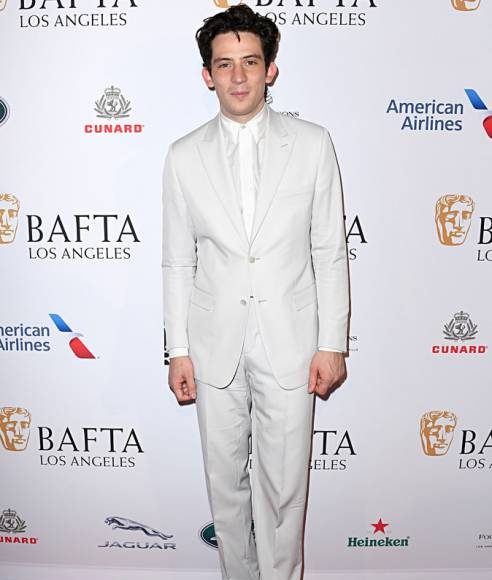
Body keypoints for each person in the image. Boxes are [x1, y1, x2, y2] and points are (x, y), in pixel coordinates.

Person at [162, 5, 349, 579]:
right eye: (225, 64)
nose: (238, 76)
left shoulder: (313, 144)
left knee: (285, 491)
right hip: (213, 343)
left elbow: (330, 250)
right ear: (207, 75)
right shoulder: (183, 155)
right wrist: (178, 350)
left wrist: (332, 342)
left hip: (290, 342)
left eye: (250, 62)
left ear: (271, 69)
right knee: (225, 487)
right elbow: (178, 260)